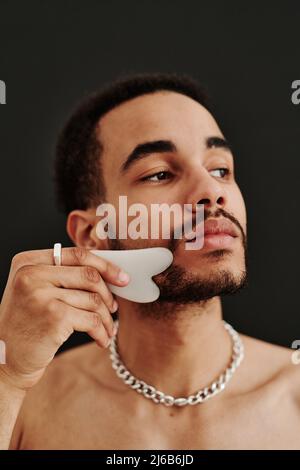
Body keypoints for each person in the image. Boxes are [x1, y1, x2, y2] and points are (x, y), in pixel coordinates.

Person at [0, 73, 298, 450]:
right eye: (160, 173)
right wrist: (6, 377)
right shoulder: (25, 405)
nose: (212, 191)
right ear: (93, 234)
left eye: (220, 169)